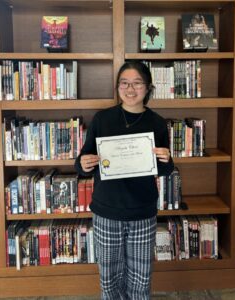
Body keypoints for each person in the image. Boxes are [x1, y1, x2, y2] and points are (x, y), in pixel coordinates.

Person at [74, 61, 174, 299]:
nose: (130, 89)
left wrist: (167, 160)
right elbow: (82, 162)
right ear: (117, 87)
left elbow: (164, 170)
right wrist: (83, 163)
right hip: (107, 212)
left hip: (142, 212)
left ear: (148, 87)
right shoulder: (102, 119)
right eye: (124, 83)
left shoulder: (157, 123)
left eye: (137, 83)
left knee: (141, 279)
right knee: (109, 280)